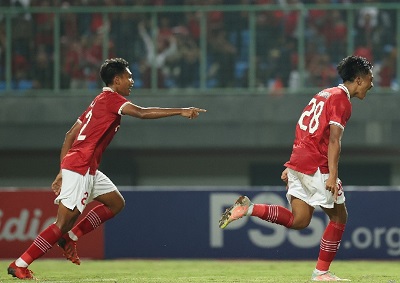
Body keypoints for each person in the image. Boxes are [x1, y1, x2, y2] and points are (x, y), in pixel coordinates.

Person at [7, 57, 206, 280]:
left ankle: (71, 237)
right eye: (129, 76)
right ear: (117, 79)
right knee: (62, 223)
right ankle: (20, 264)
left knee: (115, 203)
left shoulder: (98, 101)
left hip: (86, 167)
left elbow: (70, 135)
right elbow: (141, 113)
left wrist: (63, 168)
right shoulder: (111, 99)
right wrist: (180, 110)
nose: (132, 80)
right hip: (81, 165)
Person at [219, 55, 373, 282]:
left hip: (300, 160)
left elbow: (303, 126)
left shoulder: (323, 94)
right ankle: (321, 273)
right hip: (316, 165)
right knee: (340, 218)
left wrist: (294, 164)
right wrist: (332, 175)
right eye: (370, 79)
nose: (372, 84)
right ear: (359, 79)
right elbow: (334, 141)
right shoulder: (342, 100)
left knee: (299, 220)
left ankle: (249, 209)